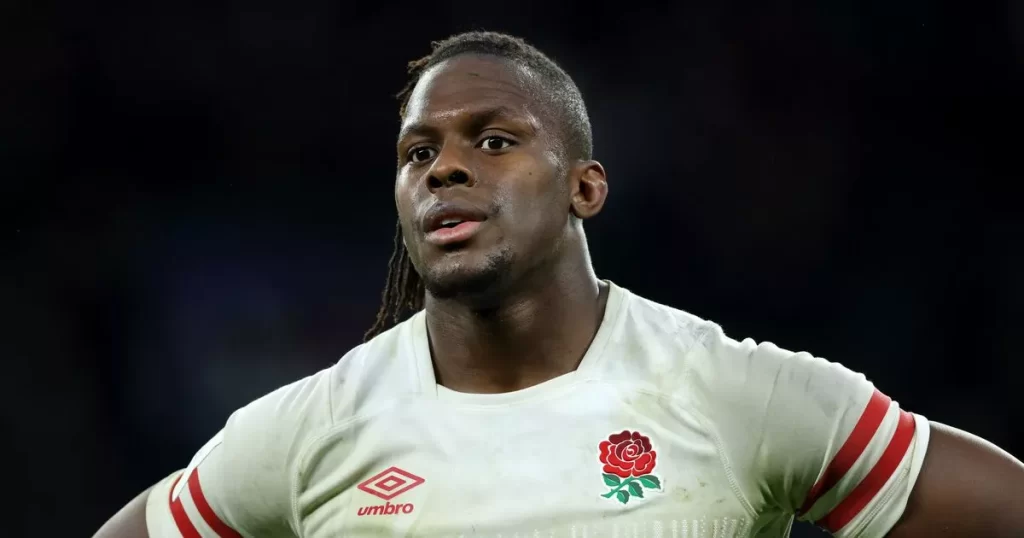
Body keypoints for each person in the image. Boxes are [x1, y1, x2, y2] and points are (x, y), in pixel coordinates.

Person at [94, 31, 1024, 538]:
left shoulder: (728, 392)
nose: (444, 169)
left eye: (494, 139)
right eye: (418, 153)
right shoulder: (318, 427)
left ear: (585, 188)